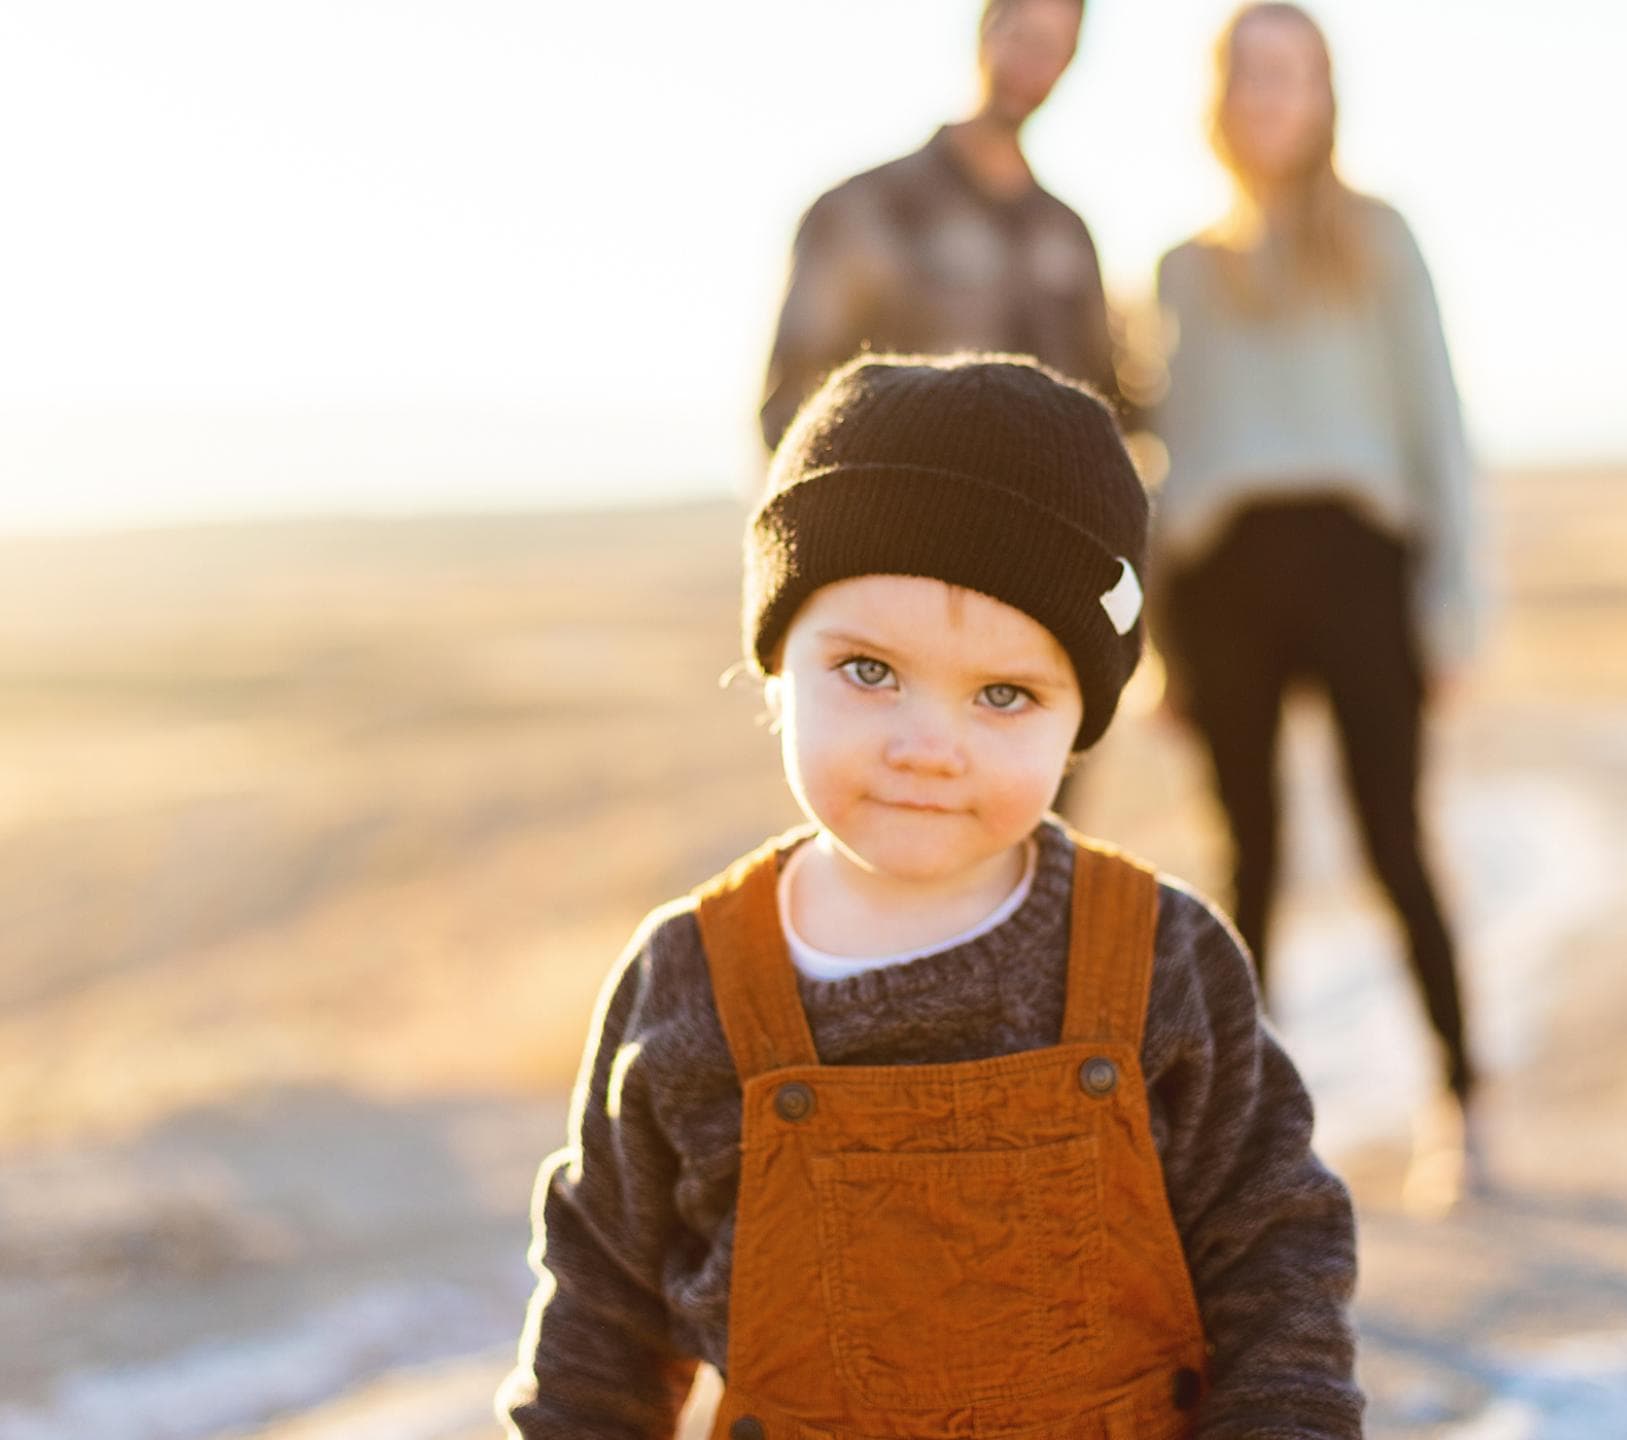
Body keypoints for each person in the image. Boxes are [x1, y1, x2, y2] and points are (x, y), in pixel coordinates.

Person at [498, 356, 1364, 1438]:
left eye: (1004, 695)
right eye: (868, 670)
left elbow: (1274, 1246)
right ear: (777, 668)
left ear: (1077, 724)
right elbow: (602, 1315)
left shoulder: (1160, 959)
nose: (926, 748)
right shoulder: (691, 979)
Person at [1148, 3, 1487, 1210]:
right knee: (1250, 861)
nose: (1269, 99)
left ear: (1325, 96)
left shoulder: (1381, 241)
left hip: (1360, 569)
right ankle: (1247, 1141)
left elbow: (1437, 426)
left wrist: (1454, 607)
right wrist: (1162, 651)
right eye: (1249, 76)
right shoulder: (1183, 268)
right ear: (1220, 98)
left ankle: (1462, 1098)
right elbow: (1169, 466)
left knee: (1395, 841)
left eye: (1291, 77)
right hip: (1225, 583)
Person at [757, 0, 1122, 453]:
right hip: (892, 510)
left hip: (1047, 515)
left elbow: (1105, 407)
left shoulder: (1068, 235)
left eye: (1056, 49)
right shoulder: (865, 210)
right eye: (1023, 38)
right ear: (987, 29)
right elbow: (791, 404)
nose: (1034, 65)